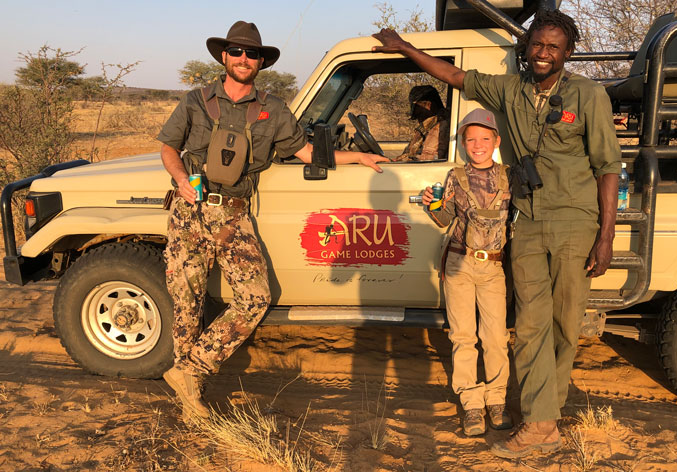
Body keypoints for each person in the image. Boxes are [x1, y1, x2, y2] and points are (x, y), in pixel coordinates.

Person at [373, 9, 620, 457]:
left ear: (567, 52)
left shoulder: (587, 95)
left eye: (554, 47)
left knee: (565, 325)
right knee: (528, 327)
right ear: (526, 48)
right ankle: (541, 422)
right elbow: (454, 75)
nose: (544, 53)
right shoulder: (509, 89)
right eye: (537, 44)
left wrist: (606, 236)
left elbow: (607, 167)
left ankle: (545, 416)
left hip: (574, 222)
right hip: (525, 222)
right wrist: (406, 49)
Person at [157, 21, 387, 420]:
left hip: (232, 215)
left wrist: (359, 158)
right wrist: (179, 179)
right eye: (237, 52)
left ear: (260, 62)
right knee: (186, 305)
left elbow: (306, 152)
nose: (243, 59)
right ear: (224, 57)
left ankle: (190, 370)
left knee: (255, 298)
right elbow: (167, 147)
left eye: (251, 54)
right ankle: (191, 398)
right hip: (189, 212)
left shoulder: (273, 109)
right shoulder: (195, 101)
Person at [421, 108, 513, 436]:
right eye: (470, 139)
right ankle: (472, 405)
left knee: (496, 337)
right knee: (463, 337)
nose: (477, 145)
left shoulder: (507, 176)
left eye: (484, 139)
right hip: (460, 263)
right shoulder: (455, 177)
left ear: (496, 141)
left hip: (493, 267)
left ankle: (497, 400)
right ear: (463, 144)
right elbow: (445, 219)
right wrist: (432, 204)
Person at [392, 85, 450, 162]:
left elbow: (428, 160)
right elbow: (410, 153)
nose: (416, 116)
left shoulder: (441, 127)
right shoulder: (428, 126)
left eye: (417, 109)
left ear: (428, 105)